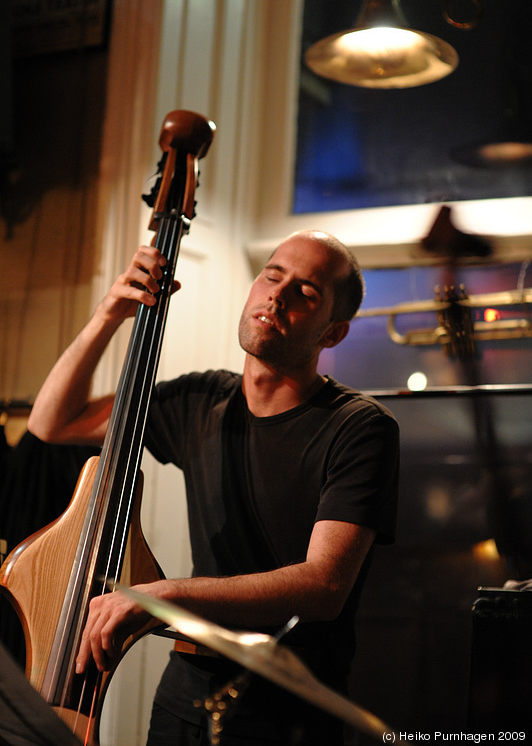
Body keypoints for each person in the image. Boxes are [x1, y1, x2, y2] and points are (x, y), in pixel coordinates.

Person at [28, 229, 399, 746]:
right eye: (273, 275)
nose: (278, 295)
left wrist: (162, 595)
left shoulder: (360, 427)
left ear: (332, 333)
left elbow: (324, 587)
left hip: (286, 711)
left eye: (306, 292)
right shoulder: (200, 399)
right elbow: (51, 422)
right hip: (184, 697)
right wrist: (110, 313)